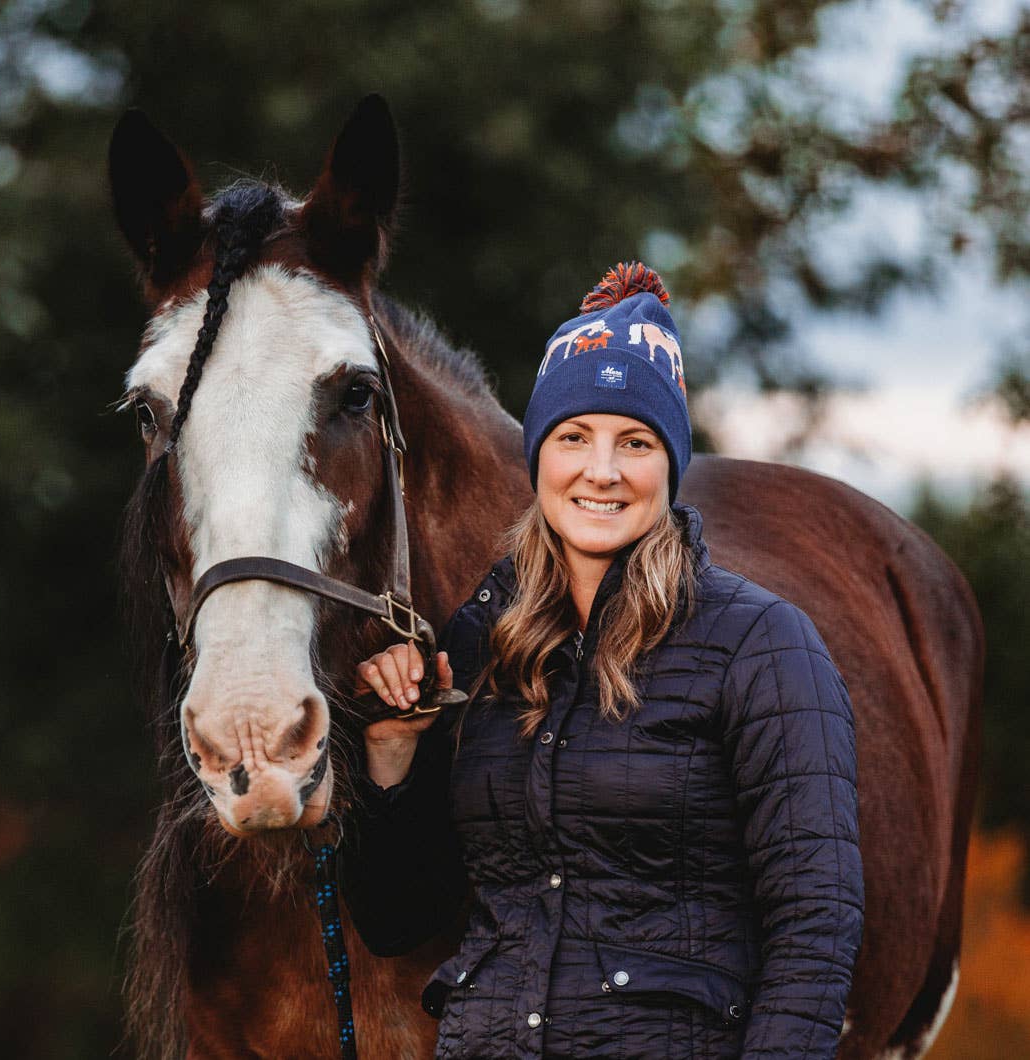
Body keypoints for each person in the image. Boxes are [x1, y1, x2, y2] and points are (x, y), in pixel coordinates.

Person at [340, 262, 864, 1060]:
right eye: (573, 437)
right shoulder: (479, 649)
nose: (602, 471)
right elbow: (398, 921)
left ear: (670, 462)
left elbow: (815, 927)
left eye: (636, 442)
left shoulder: (762, 646)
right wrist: (389, 756)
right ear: (538, 456)